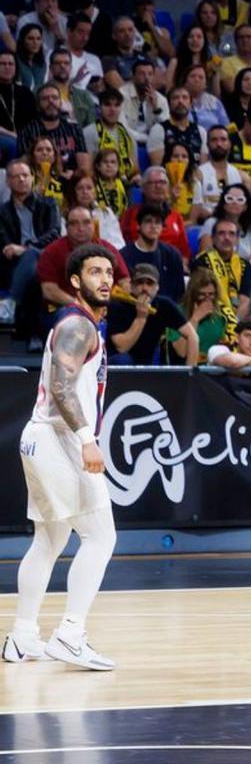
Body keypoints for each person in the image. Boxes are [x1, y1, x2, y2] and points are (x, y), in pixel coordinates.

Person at [2, 244, 119, 670]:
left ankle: (22, 637)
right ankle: (70, 634)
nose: (105, 279)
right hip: (60, 438)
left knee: (49, 540)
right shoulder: (78, 325)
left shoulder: (82, 325)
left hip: (41, 437)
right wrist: (87, 438)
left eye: (108, 272)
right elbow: (62, 385)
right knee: (101, 537)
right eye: (94, 271)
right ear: (74, 280)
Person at [107, 263, 198, 366]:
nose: (144, 288)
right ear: (131, 286)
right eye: (140, 283)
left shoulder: (163, 305)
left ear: (157, 287)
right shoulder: (118, 306)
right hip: (117, 364)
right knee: (123, 359)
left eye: (149, 283)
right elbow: (122, 347)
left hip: (147, 364)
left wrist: (190, 372)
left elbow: (192, 336)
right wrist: (141, 318)